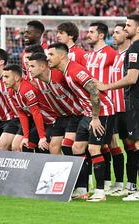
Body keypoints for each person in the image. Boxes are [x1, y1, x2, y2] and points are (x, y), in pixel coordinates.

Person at [97, 14, 139, 201]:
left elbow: (131, 78)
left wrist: (106, 86)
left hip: (136, 102)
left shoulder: (134, 49)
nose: (126, 28)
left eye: (128, 25)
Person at [47, 42, 115, 202]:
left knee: (94, 149)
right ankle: (82, 189)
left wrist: (96, 117)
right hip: (88, 113)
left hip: (102, 112)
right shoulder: (66, 72)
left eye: (51, 55)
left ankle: (100, 191)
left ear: (62, 56)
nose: (48, 58)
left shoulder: (75, 70)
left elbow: (94, 91)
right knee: (77, 148)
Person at [28, 52, 84, 155]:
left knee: (68, 146)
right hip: (60, 117)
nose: (29, 69)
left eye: (32, 66)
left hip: (76, 115)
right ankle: (62, 171)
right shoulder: (37, 81)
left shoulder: (59, 75)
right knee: (53, 147)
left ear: (43, 66)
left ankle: (83, 170)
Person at [86, 22, 119, 193]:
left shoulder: (111, 54)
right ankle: (106, 183)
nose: (88, 34)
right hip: (92, 106)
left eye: (91, 32)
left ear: (101, 35)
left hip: (107, 106)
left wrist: (108, 86)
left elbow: (125, 74)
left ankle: (118, 184)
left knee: (107, 145)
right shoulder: (89, 55)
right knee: (101, 146)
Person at [108, 23, 138, 197]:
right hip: (114, 109)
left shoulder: (130, 55)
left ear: (126, 35)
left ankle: (133, 185)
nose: (114, 35)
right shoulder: (117, 56)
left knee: (130, 147)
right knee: (113, 145)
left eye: (117, 32)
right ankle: (119, 183)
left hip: (126, 109)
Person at [2, 64, 58, 153]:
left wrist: (42, 137)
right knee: (26, 146)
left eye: (6, 77)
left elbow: (36, 113)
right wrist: (26, 137)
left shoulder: (26, 89)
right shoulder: (11, 92)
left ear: (16, 78)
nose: (3, 80)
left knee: (43, 147)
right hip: (42, 123)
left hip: (53, 122)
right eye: (3, 77)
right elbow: (22, 114)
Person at [0, 48, 21, 150]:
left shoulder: (12, 77)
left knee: (9, 147)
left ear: (1, 62)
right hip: (14, 119)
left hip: (23, 118)